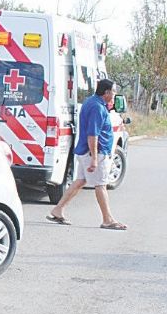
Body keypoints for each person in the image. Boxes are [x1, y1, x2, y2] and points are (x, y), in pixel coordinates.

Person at [46, 78, 127, 230]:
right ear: (107, 92)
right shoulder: (97, 107)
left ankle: (58, 210)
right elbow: (93, 135)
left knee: (80, 181)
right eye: (114, 91)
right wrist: (95, 159)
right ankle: (107, 219)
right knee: (101, 185)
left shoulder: (92, 102)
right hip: (93, 152)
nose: (115, 94)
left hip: (85, 151)